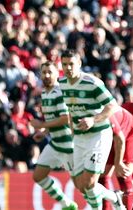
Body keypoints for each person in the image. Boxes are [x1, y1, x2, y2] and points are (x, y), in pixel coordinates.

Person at [59, 50, 126, 210]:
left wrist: (93, 119)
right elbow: (70, 110)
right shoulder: (62, 83)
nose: (68, 68)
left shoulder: (92, 83)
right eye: (65, 64)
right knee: (80, 185)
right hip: (79, 138)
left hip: (98, 135)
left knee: (89, 183)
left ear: (79, 64)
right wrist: (71, 135)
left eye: (71, 64)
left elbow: (112, 105)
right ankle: (114, 197)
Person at [30, 61, 78, 210]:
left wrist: (42, 125)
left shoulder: (59, 92)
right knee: (38, 176)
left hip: (68, 146)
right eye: (44, 72)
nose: (46, 75)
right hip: (55, 144)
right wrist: (44, 133)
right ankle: (66, 203)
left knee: (83, 186)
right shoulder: (44, 93)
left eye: (50, 72)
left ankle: (112, 198)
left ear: (57, 74)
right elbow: (53, 119)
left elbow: (65, 118)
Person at [99, 107, 133, 210]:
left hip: (128, 130)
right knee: (102, 175)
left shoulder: (105, 114)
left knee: (124, 173)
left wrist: (118, 162)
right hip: (110, 136)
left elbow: (119, 138)